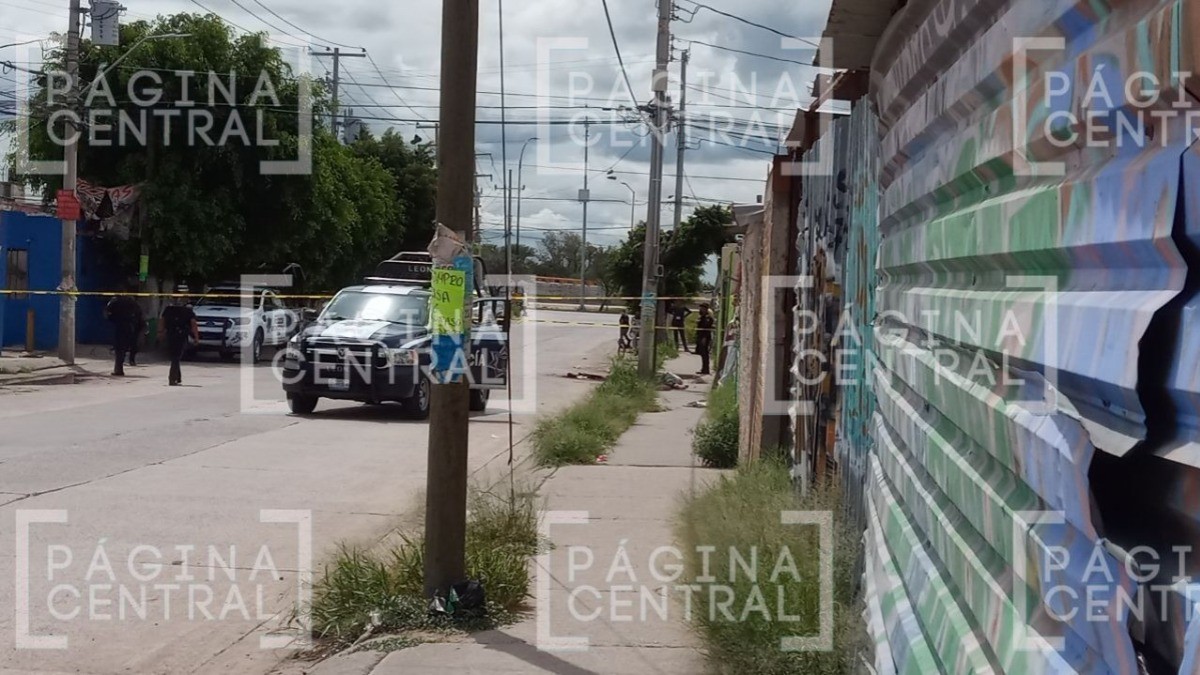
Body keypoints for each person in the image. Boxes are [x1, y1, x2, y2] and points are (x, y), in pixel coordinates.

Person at [159, 284, 199, 386]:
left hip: (170, 334)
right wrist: (196, 337)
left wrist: (160, 332)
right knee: (176, 357)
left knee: (175, 356)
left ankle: (178, 377)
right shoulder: (187, 310)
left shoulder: (168, 309)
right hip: (181, 335)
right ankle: (172, 378)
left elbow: (162, 321)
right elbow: (193, 324)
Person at [104, 288, 141, 377]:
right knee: (126, 346)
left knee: (119, 348)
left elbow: (107, 312)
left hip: (118, 326)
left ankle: (118, 369)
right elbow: (139, 312)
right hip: (129, 326)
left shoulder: (114, 301)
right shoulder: (131, 301)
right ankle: (127, 362)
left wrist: (111, 320)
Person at [695, 303, 715, 376]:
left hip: (705, 337)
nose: (700, 309)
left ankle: (706, 369)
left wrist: (704, 338)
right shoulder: (702, 316)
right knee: (702, 353)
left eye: (702, 308)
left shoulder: (707, 317)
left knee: (705, 354)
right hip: (700, 336)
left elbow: (706, 328)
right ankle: (703, 369)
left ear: (705, 309)